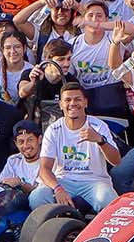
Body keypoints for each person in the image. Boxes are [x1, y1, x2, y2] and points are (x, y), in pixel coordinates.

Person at [30, 82, 121, 213]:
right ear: (61, 105)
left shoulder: (98, 126)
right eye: (67, 100)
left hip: (94, 181)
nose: (72, 103)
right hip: (63, 180)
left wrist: (100, 140)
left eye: (77, 99)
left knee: (109, 201)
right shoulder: (54, 129)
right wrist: (58, 189)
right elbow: (44, 169)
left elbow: (116, 161)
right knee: (37, 197)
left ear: (85, 103)